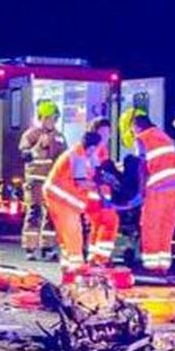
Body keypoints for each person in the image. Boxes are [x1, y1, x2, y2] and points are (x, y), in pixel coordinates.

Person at [44, 117, 119, 272]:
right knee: (73, 232)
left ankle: (70, 265)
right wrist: (99, 184)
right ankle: (77, 267)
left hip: (62, 197)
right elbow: (81, 182)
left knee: (68, 232)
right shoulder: (79, 155)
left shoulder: (84, 152)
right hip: (61, 198)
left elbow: (95, 171)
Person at [130, 114, 175, 274]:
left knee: (151, 224)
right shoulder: (164, 136)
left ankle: (151, 265)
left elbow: (141, 166)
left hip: (158, 186)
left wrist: (141, 190)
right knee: (167, 224)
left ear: (137, 127)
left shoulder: (141, 138)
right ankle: (163, 264)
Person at [17, 100, 66, 259]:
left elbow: (64, 159)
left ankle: (48, 247)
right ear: (42, 118)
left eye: (54, 118)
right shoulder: (31, 134)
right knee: (34, 213)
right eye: (49, 118)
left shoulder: (59, 137)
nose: (52, 121)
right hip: (35, 181)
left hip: (52, 183)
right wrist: (39, 146)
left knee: (52, 215)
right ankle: (30, 248)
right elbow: (25, 156)